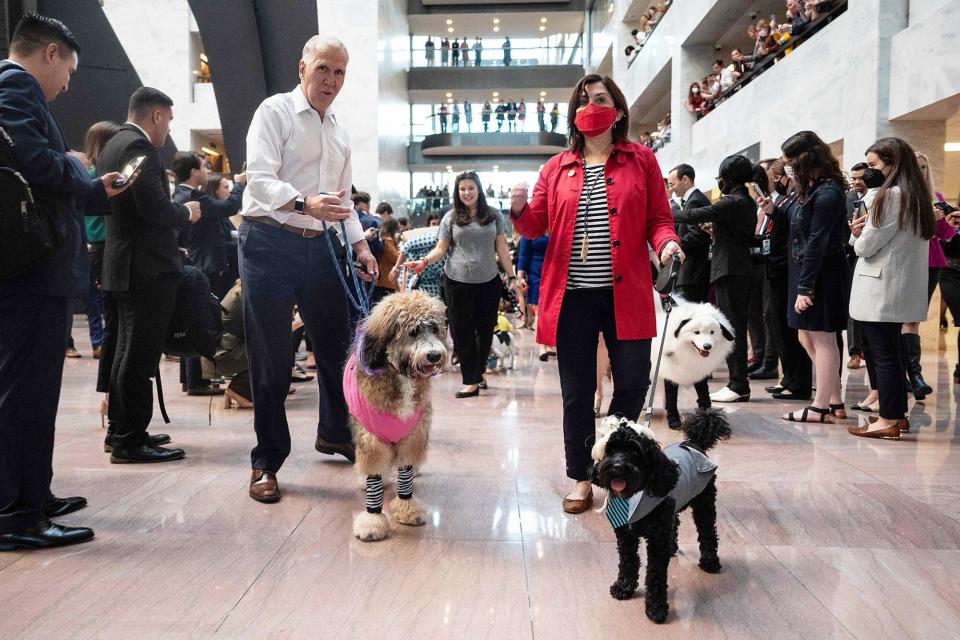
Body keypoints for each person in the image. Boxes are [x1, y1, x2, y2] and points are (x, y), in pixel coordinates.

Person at [508, 74, 682, 514]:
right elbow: (534, 226)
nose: (591, 105)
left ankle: (619, 467)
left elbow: (659, 217)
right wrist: (517, 207)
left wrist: (667, 244)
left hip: (627, 291)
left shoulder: (641, 160)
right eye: (583, 100)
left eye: (600, 99)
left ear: (618, 111)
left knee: (633, 384)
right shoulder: (557, 167)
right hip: (573, 299)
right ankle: (582, 476)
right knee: (577, 392)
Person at [0, 13, 133, 550]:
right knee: (22, 394)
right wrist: (76, 165)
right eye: (70, 71)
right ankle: (14, 514)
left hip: (37, 270)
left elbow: (49, 175)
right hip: (29, 271)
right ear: (49, 52)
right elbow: (35, 163)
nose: (67, 84)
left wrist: (90, 183)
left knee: (35, 392)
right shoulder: (13, 86)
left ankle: (35, 493)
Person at [239, 36, 377, 503]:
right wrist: (304, 203)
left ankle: (335, 433)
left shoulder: (338, 130)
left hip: (320, 245)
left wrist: (360, 247)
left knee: (339, 349)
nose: (331, 81)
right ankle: (266, 462)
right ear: (303, 68)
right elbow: (258, 178)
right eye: (323, 69)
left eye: (339, 73)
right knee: (273, 358)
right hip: (267, 242)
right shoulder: (274, 112)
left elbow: (344, 202)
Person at [99, 87, 201, 463]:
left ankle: (122, 430)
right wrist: (187, 213)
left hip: (126, 263)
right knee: (138, 355)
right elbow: (154, 209)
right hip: (145, 267)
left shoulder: (114, 142)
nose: (167, 129)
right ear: (156, 115)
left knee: (127, 350)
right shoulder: (139, 148)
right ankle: (129, 439)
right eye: (169, 120)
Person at [847, 138, 935, 438]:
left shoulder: (892, 196)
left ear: (892, 164)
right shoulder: (915, 194)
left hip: (881, 284)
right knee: (891, 354)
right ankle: (896, 416)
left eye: (873, 165)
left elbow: (868, 245)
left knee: (883, 354)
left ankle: (889, 418)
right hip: (897, 284)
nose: (869, 171)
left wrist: (855, 237)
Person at [403, 171, 519, 397]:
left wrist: (512, 277)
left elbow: (502, 249)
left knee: (485, 331)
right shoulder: (451, 217)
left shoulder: (494, 215)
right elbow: (441, 248)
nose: (467, 192)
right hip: (457, 281)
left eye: (471, 188)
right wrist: (424, 261)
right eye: (462, 189)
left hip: (488, 281)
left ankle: (478, 372)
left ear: (479, 190)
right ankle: (471, 380)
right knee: (461, 332)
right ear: (457, 192)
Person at [770, 131, 849, 423]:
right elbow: (798, 227)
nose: (786, 166)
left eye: (789, 161)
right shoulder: (809, 189)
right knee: (805, 335)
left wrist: (806, 287)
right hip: (802, 269)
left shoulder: (828, 192)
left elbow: (817, 241)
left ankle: (820, 407)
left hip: (820, 274)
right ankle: (835, 398)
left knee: (823, 337)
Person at [673, 155, 757, 403]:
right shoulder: (744, 201)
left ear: (728, 178)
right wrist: (715, 231)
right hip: (734, 267)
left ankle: (739, 384)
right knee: (733, 325)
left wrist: (664, 210)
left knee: (732, 328)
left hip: (731, 269)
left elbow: (693, 216)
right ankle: (737, 382)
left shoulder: (735, 201)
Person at [172, 151, 245, 398]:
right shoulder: (194, 195)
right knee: (200, 322)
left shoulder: (177, 195)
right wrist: (240, 184)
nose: (207, 171)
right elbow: (230, 207)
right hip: (204, 267)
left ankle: (190, 379)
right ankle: (198, 381)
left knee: (188, 319)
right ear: (194, 172)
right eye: (204, 167)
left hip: (189, 263)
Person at [900, 151, 953, 400]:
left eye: (924, 167)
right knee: (904, 318)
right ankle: (911, 375)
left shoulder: (936, 197)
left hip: (932, 263)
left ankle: (915, 376)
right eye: (916, 166)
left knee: (914, 320)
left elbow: (944, 235)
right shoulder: (900, 196)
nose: (920, 171)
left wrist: (944, 220)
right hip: (906, 262)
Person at [762, 159, 813, 401]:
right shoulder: (786, 199)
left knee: (789, 330)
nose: (775, 183)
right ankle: (789, 378)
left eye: (776, 178)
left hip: (786, 269)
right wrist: (773, 212)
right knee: (778, 327)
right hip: (777, 267)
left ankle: (798, 381)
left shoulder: (798, 197)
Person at [666, 164, 711, 303]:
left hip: (692, 271)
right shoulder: (693, 200)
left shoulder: (696, 200)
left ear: (685, 179)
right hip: (690, 271)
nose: (671, 189)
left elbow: (698, 234)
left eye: (672, 184)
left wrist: (675, 247)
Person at [844, 162, 868, 369]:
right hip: (852, 257)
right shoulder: (849, 198)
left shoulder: (878, 198)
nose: (857, 182)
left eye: (861, 177)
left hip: (872, 255)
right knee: (854, 307)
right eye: (854, 179)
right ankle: (854, 352)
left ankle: (868, 349)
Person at [517, 233, 553, 359]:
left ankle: (548, 343)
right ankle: (542, 346)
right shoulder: (530, 228)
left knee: (551, 311)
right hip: (535, 273)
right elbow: (523, 254)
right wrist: (520, 277)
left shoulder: (555, 223)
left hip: (554, 271)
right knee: (539, 310)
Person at [371, 218, 401, 305]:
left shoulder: (383, 240)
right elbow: (396, 258)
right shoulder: (388, 241)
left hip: (381, 280)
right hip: (385, 281)